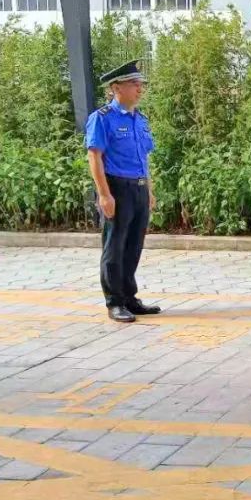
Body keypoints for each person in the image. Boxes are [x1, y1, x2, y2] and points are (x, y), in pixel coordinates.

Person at [84, 60, 161, 324]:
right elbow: (94, 157)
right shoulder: (102, 118)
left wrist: (148, 190)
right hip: (116, 187)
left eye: (141, 84)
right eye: (134, 84)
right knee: (114, 246)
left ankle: (129, 297)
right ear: (116, 88)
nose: (140, 89)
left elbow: (143, 158)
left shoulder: (141, 120)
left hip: (138, 188)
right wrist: (104, 195)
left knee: (133, 246)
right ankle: (114, 302)